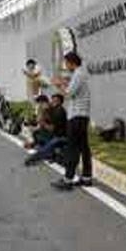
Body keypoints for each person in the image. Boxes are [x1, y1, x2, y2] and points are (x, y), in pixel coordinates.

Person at [51, 51, 92, 190]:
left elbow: (68, 94)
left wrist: (58, 86)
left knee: (72, 149)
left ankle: (67, 180)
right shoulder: (79, 74)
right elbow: (71, 85)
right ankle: (87, 177)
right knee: (83, 148)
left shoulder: (79, 74)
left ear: (72, 62)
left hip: (76, 117)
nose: (66, 66)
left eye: (66, 63)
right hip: (81, 117)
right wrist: (63, 82)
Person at [25, 93, 68, 166]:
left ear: (60, 102)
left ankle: (33, 158)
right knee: (38, 133)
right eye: (52, 100)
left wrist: (42, 122)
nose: (53, 102)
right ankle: (49, 153)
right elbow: (43, 124)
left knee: (47, 146)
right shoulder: (52, 109)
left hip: (61, 136)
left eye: (55, 101)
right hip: (54, 134)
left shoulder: (59, 111)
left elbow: (51, 128)